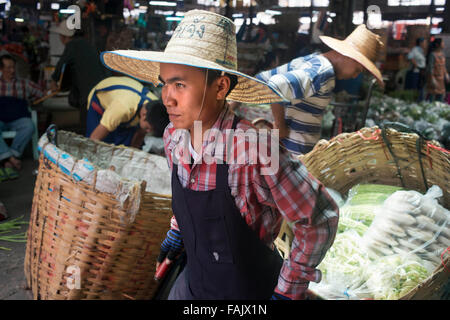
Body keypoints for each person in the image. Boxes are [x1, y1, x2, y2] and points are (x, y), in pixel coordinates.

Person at [101, 10, 339, 300]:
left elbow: (319, 218)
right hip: (195, 283)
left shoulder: (255, 149)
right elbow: (191, 201)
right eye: (164, 83)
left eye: (180, 84)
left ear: (221, 86)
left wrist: (290, 290)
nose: (167, 98)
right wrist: (178, 230)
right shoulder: (173, 139)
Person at [255, 24, 385, 156]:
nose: (355, 75)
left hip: (286, 155)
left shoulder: (312, 60)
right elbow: (275, 85)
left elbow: (260, 79)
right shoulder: (323, 72)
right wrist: (280, 125)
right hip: (292, 159)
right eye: (358, 70)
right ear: (348, 56)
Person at [49, 19, 110, 131]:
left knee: (87, 127)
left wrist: (53, 81)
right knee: (98, 126)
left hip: (88, 95)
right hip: (102, 92)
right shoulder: (87, 43)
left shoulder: (72, 45)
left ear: (63, 37)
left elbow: (61, 65)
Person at [85, 76, 168, 147]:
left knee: (125, 146)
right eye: (148, 129)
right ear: (143, 115)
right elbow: (93, 139)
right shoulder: (122, 108)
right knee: (103, 145)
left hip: (126, 108)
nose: (148, 132)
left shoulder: (156, 108)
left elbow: (140, 134)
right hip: (101, 102)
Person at [0, 54, 43, 180]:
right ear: (1, 69)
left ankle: (8, 159)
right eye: (8, 68)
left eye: (13, 67)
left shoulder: (24, 83)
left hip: (18, 120)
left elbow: (41, 94)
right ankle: (12, 159)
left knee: (29, 125)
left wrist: (33, 101)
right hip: (1, 120)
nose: (12, 71)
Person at [425, 38, 449, 102]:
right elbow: (430, 67)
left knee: (441, 96)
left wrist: (446, 74)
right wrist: (432, 78)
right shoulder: (432, 55)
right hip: (434, 78)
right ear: (438, 44)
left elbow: (443, 66)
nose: (444, 44)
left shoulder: (442, 54)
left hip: (441, 79)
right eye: (442, 43)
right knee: (432, 96)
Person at [405, 37, 427, 101]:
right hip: (415, 72)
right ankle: (413, 101)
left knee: (420, 88)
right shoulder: (415, 49)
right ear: (420, 43)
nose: (426, 44)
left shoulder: (421, 51)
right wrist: (416, 65)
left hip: (420, 72)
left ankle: (418, 101)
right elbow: (410, 57)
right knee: (414, 88)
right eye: (425, 42)